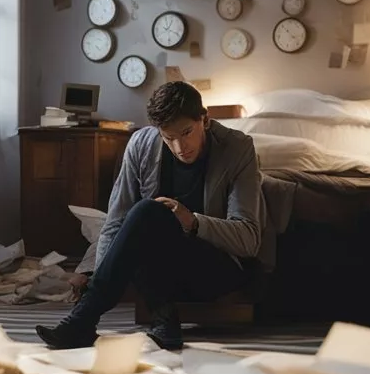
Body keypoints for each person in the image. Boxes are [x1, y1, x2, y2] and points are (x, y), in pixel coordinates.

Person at [36, 81, 263, 351]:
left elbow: (249, 239)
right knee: (142, 216)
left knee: (146, 210)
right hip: (160, 273)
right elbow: (116, 223)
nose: (180, 147)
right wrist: (94, 272)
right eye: (169, 138)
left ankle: (83, 321)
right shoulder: (141, 144)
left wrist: (192, 221)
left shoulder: (238, 148)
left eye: (187, 132)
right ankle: (164, 324)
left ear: (205, 119)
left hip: (215, 271)